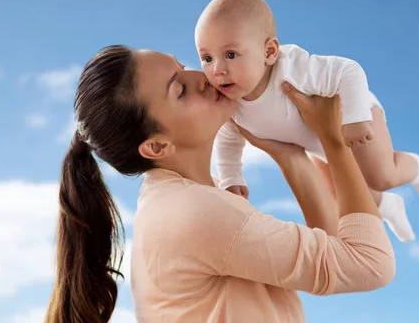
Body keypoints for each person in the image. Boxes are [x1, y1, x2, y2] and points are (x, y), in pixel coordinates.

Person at [44, 45, 396, 323]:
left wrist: (288, 154)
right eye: (180, 90)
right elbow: (369, 264)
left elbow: (334, 254)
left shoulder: (181, 200)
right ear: (156, 146)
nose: (202, 77)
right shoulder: (195, 214)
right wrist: (333, 138)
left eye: (181, 65)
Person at [195, 0, 419, 243]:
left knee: (380, 176)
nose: (217, 70)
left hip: (352, 115)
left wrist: (356, 118)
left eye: (230, 55)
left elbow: (348, 71)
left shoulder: (292, 69)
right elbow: (228, 138)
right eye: (206, 58)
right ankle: (390, 207)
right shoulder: (230, 103)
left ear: (269, 52)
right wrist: (231, 178)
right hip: (318, 145)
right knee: (345, 196)